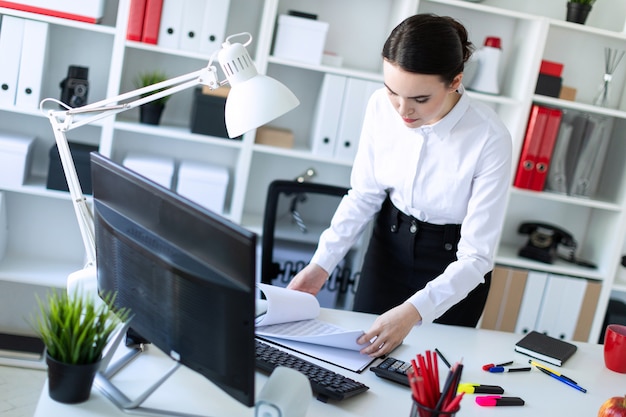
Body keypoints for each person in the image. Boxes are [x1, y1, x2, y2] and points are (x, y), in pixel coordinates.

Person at [287, 13, 512, 358]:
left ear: (455, 81)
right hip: (388, 246)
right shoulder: (380, 106)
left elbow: (477, 256)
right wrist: (321, 265)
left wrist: (414, 312)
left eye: (420, 99)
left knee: (429, 376)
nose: (403, 110)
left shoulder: (489, 137)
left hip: (453, 266)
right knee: (357, 358)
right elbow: (363, 195)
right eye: (393, 91)